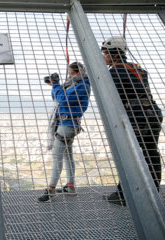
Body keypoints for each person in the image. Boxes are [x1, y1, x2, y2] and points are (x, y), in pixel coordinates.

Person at [101, 36, 163, 206]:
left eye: (105, 52)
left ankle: (124, 195)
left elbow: (114, 98)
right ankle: (154, 191)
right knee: (151, 152)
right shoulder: (138, 69)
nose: (103, 56)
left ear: (114, 53)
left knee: (129, 155)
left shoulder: (115, 71)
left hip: (137, 115)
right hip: (152, 113)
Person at [38, 62, 91, 202]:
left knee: (57, 157)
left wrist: (56, 85)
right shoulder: (74, 85)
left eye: (71, 74)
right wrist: (55, 85)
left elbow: (62, 100)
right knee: (67, 156)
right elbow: (56, 97)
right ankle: (70, 185)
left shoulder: (83, 85)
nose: (69, 76)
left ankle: (51, 189)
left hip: (67, 124)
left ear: (78, 73)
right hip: (65, 123)